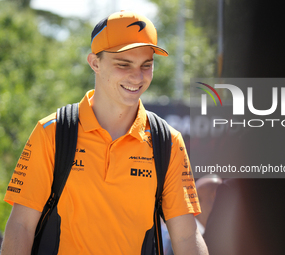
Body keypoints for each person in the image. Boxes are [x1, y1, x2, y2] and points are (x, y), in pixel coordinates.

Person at [1, 11, 208, 255]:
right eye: (123, 64)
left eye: (146, 65)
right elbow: (21, 226)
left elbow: (186, 236)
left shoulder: (168, 141)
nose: (137, 76)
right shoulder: (52, 132)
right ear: (94, 63)